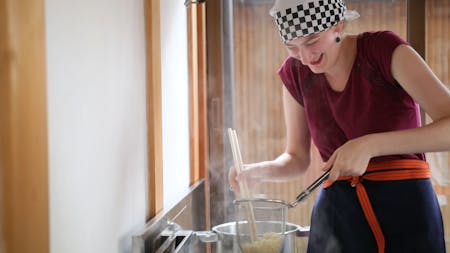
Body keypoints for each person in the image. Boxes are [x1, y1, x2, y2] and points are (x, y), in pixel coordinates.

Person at [228, 0, 450, 252]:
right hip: (337, 214)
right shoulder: (295, 72)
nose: (305, 57)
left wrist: (370, 145)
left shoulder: (382, 50)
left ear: (338, 25)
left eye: (311, 41)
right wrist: (257, 172)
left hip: (406, 208)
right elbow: (297, 158)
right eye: (292, 47)